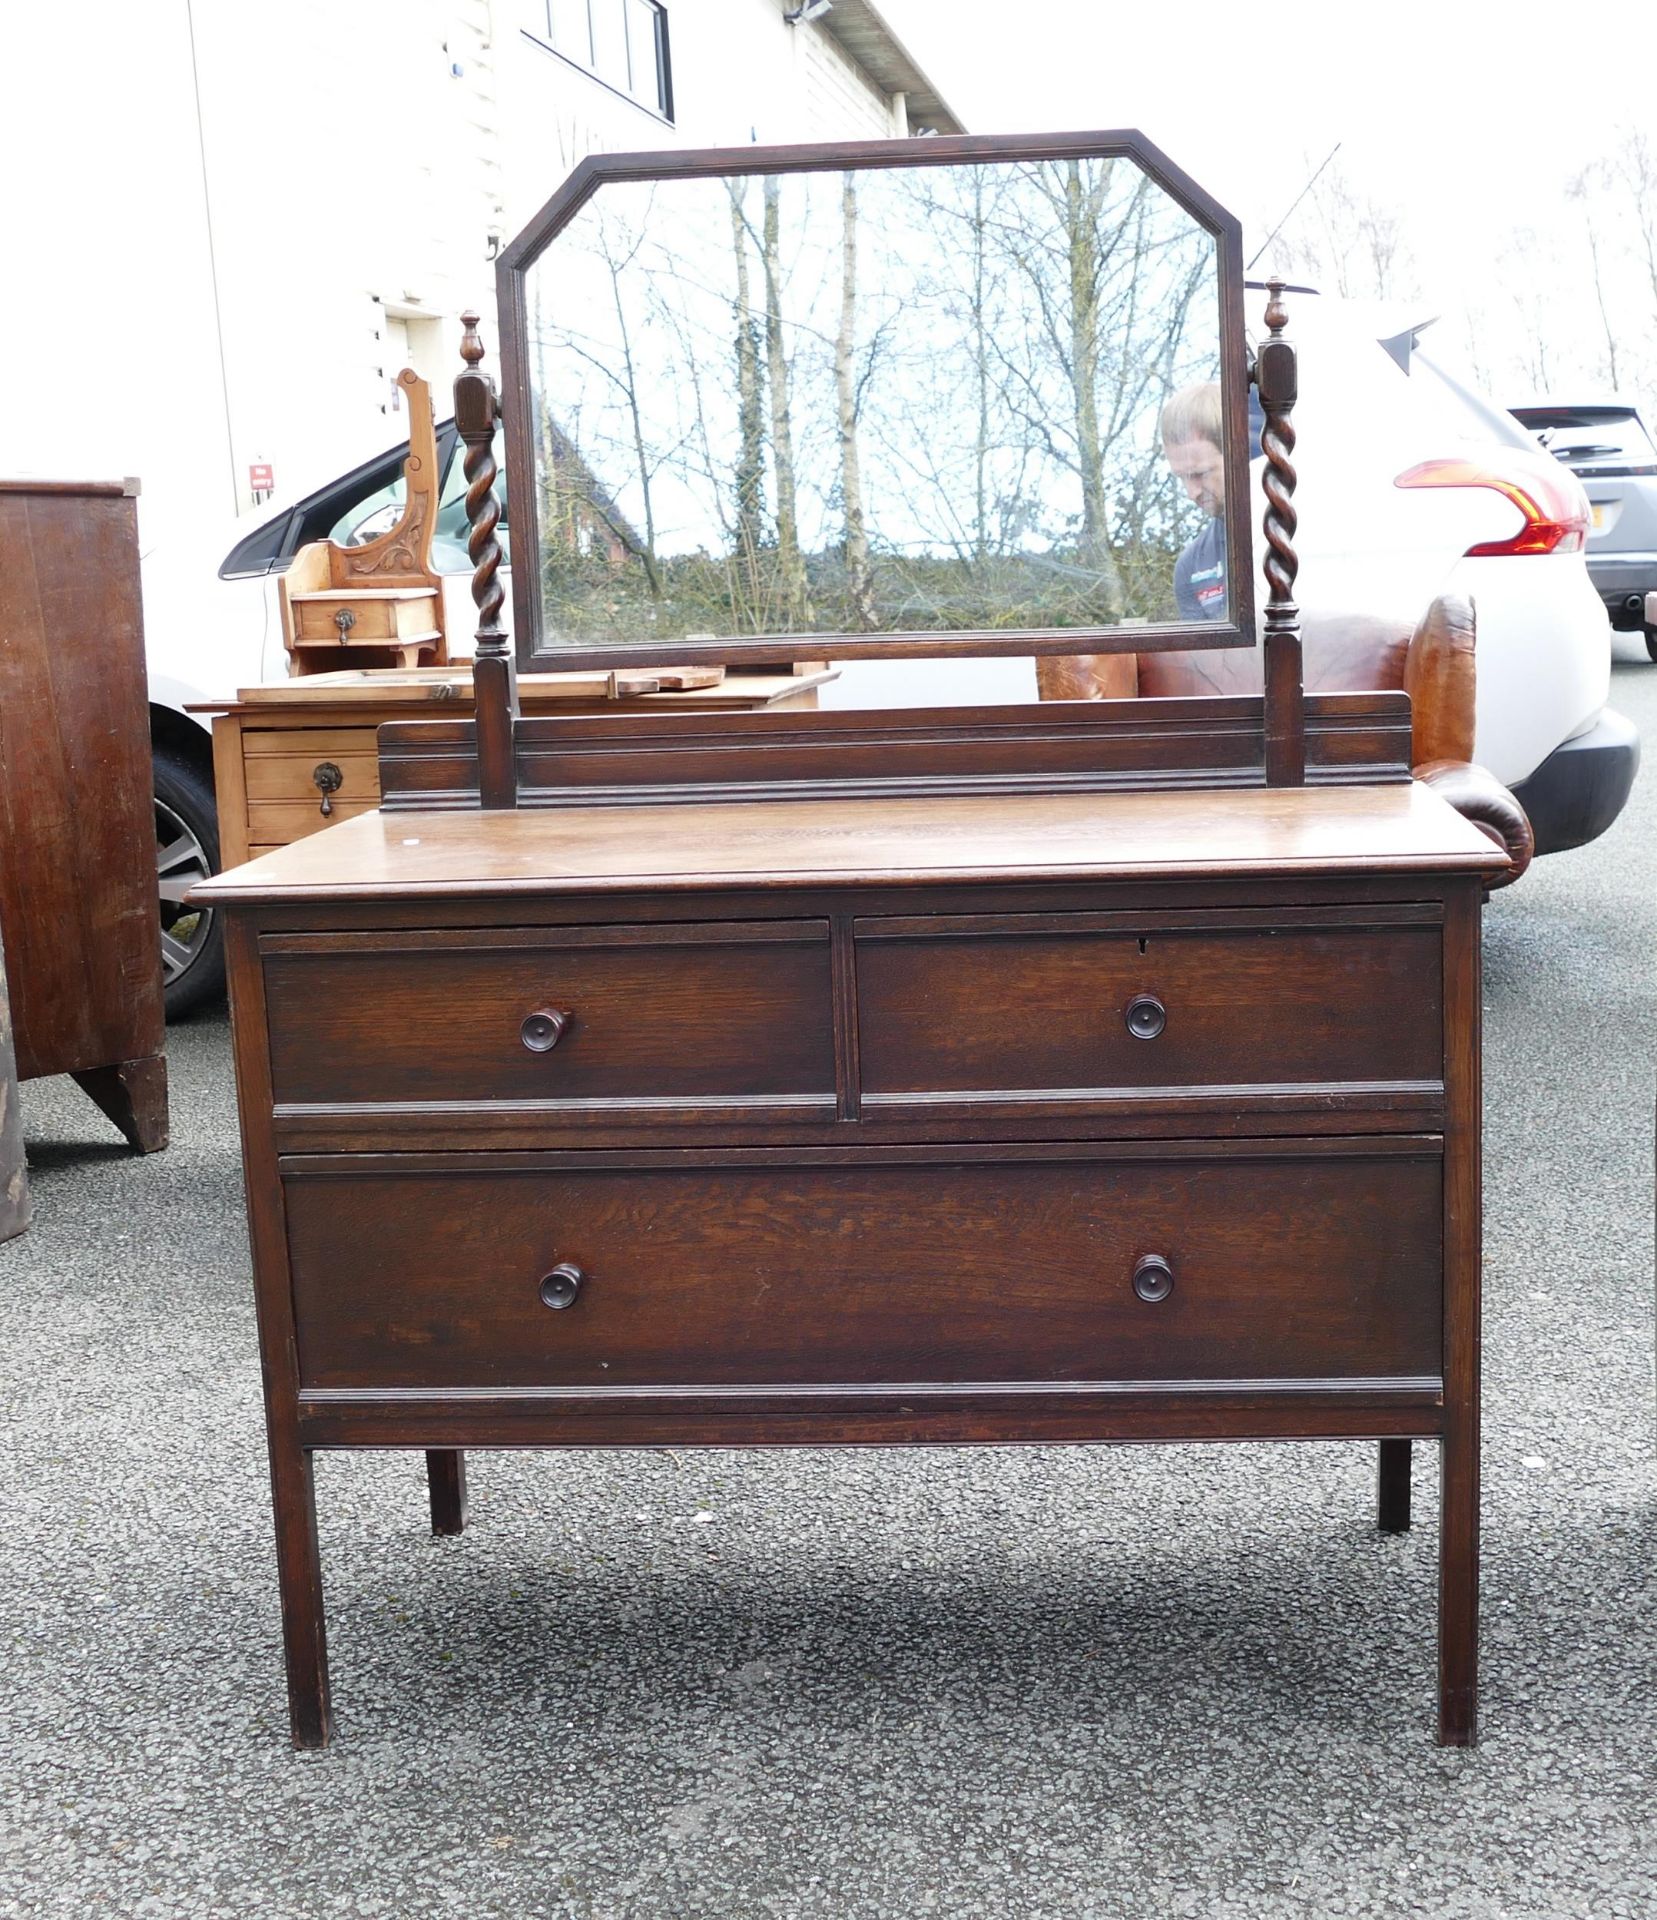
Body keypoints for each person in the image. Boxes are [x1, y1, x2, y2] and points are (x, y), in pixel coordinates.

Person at [1160, 382, 1227, 621]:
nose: (1191, 493)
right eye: (1182, 478)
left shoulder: (1290, 535)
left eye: (1200, 473)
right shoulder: (1192, 565)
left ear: (1238, 454)